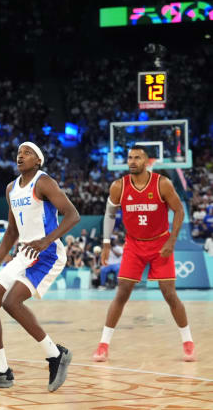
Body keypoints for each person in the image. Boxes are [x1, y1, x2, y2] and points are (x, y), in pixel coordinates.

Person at [0, 142, 80, 392]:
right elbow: (11, 232)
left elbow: (72, 215)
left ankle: (55, 355)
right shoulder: (11, 188)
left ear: (38, 160)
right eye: (19, 152)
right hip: (24, 254)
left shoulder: (43, 182)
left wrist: (46, 240)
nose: (21, 156)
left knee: (11, 302)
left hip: (47, 254)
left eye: (27, 152)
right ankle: (1, 371)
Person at [93, 146, 196, 362]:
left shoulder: (162, 184)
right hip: (134, 244)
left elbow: (179, 210)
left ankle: (188, 342)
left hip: (160, 244)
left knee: (169, 294)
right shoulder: (118, 186)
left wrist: (171, 241)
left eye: (137, 157)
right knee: (122, 292)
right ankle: (103, 345)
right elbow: (109, 214)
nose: (132, 161)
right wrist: (105, 243)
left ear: (147, 161)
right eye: (130, 157)